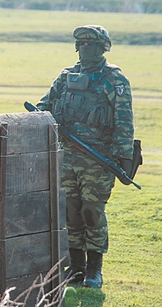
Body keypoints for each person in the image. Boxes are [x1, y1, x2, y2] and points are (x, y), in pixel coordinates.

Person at [36, 25, 134, 289]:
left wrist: (122, 159)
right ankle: (75, 269)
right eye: (81, 44)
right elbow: (43, 106)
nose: (86, 49)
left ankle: (94, 271)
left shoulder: (114, 80)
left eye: (91, 44)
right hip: (66, 157)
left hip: (98, 159)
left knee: (92, 212)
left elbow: (124, 123)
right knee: (70, 213)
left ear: (103, 48)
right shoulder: (66, 76)